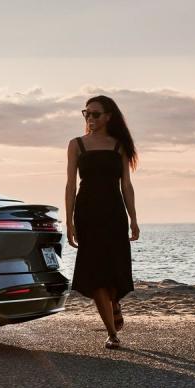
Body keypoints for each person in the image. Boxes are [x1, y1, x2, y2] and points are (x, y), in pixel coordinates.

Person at [65, 95, 140, 349]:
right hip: (87, 213)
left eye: (96, 114)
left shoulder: (119, 146)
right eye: (86, 113)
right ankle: (111, 333)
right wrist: (69, 222)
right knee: (95, 273)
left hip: (114, 213)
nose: (90, 118)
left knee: (114, 268)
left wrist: (134, 219)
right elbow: (70, 185)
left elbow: (126, 186)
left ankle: (114, 302)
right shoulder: (76, 145)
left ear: (108, 116)